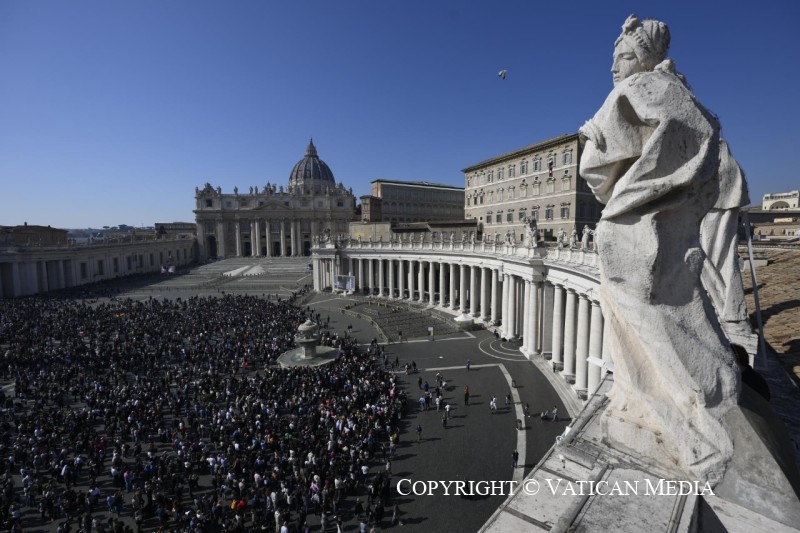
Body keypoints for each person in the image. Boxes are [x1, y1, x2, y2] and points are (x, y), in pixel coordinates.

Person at [579, 13, 740, 483]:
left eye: (623, 56)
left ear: (643, 58)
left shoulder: (636, 90)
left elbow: (596, 171)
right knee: (672, 316)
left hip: (632, 229)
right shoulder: (680, 93)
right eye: (614, 58)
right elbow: (706, 148)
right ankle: (705, 392)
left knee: (649, 326)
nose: (614, 67)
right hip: (666, 227)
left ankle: (689, 419)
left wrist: (593, 137)